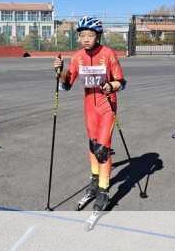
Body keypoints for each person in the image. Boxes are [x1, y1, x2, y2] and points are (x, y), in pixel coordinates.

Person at [52, 16, 126, 212]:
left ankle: (103, 191)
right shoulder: (77, 57)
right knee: (93, 146)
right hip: (89, 107)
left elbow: (121, 81)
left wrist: (112, 85)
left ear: (98, 36)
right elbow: (67, 84)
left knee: (103, 149)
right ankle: (95, 181)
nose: (86, 38)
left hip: (107, 106)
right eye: (82, 35)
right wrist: (60, 72)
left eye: (90, 35)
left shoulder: (108, 54)